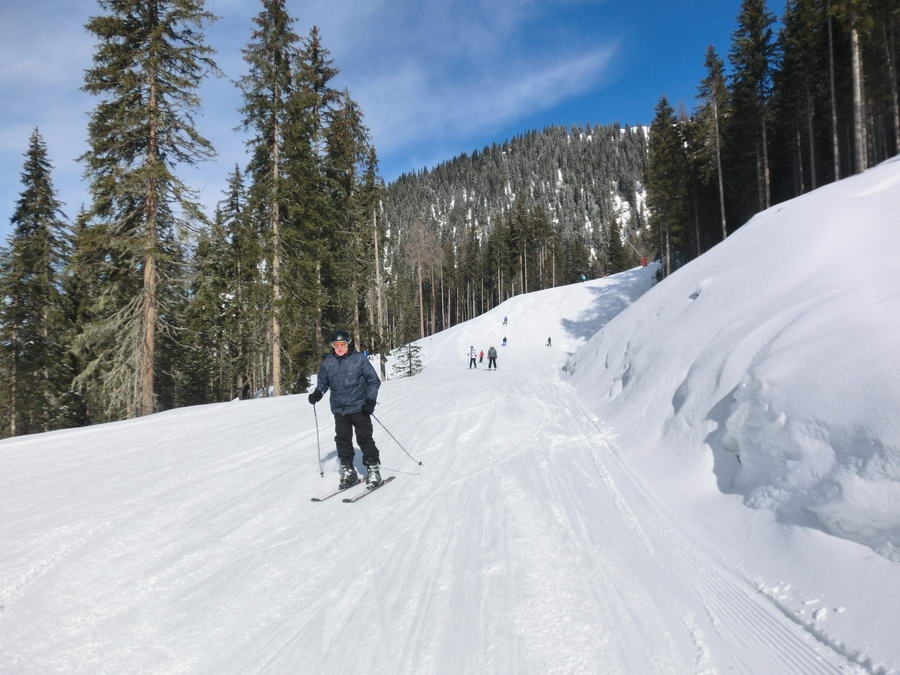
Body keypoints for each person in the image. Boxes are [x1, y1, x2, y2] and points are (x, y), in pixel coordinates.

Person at [308, 330, 383, 490]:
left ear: (348, 344)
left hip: (359, 407)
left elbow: (373, 381)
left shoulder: (359, 360)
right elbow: (323, 382)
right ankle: (349, 471)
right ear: (332, 346)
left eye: (343, 344)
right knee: (342, 440)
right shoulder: (328, 362)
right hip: (339, 409)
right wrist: (317, 393)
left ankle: (373, 470)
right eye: (336, 345)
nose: (340, 348)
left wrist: (370, 400)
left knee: (364, 438)